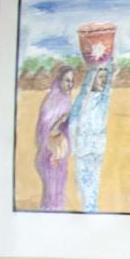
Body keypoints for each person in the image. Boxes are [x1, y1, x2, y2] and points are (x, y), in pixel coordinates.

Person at [70, 63, 113, 212]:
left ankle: (92, 211)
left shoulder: (103, 100)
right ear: (92, 78)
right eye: (100, 77)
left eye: (105, 78)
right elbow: (73, 124)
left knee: (94, 187)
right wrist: (74, 148)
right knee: (84, 188)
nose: (103, 81)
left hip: (97, 151)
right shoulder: (82, 101)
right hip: (82, 151)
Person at [33, 65, 75, 210]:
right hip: (49, 155)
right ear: (59, 80)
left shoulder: (67, 101)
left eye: (72, 81)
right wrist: (59, 121)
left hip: (60, 154)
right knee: (51, 194)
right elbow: (43, 131)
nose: (70, 84)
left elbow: (68, 128)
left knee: (59, 192)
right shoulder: (51, 102)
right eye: (67, 80)